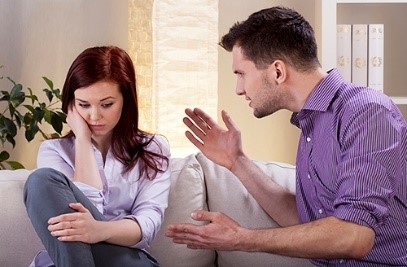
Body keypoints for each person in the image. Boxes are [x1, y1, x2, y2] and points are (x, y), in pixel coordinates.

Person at [165, 6, 407, 266]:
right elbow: (311, 224)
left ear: (277, 71)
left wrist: (241, 239)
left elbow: (354, 236)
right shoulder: (311, 124)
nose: (238, 89)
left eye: (241, 74)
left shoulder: (366, 112)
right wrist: (237, 161)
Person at [24, 46, 171, 267]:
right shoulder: (54, 151)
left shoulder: (154, 149)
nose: (94, 116)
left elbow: (147, 224)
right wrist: (83, 141)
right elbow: (75, 220)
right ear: (71, 105)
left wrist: (98, 231)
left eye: (107, 104)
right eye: (84, 105)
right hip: (69, 258)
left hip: (126, 259)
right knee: (41, 180)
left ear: (125, 100)